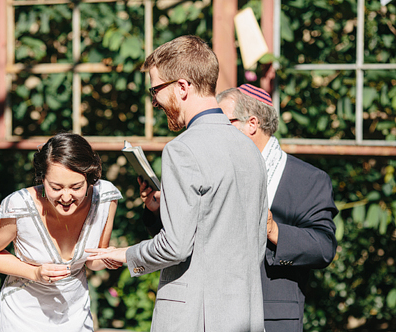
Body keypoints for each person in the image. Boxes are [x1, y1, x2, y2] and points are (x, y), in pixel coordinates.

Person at [85, 35, 268, 331]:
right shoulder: (250, 148)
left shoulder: (182, 149)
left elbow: (176, 247)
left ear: (182, 87)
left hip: (196, 318)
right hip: (245, 316)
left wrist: (124, 255)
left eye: (155, 89)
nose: (155, 100)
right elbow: (254, 242)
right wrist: (164, 207)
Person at [216, 84, 338, 332]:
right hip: (215, 312)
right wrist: (155, 212)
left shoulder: (308, 179)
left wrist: (274, 231)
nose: (215, 133)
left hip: (271, 319)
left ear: (251, 124)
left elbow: (324, 247)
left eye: (223, 124)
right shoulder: (216, 172)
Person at [0, 132, 123, 331]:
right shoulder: (18, 207)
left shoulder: (105, 198)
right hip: (24, 316)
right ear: (42, 178)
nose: (67, 196)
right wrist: (34, 272)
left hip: (75, 314)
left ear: (89, 177)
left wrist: (109, 257)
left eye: (76, 187)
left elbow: (93, 262)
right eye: (56, 187)